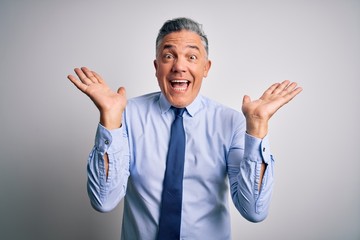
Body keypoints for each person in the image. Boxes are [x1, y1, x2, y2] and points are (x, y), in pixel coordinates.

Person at [67, 17, 302, 240]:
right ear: (156, 66)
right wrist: (109, 117)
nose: (179, 66)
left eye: (191, 57)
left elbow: (254, 211)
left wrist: (258, 125)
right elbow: (104, 201)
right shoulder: (126, 115)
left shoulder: (231, 123)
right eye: (169, 56)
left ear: (206, 67)